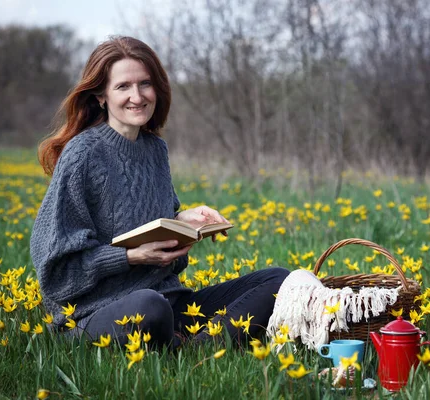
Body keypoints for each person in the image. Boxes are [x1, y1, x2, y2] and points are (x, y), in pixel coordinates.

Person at [30, 36, 289, 349]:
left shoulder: (155, 150)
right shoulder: (83, 154)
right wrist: (129, 257)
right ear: (101, 96)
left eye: (145, 84)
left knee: (279, 280)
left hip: (171, 302)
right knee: (149, 307)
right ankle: (201, 346)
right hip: (97, 314)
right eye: (123, 86)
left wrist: (185, 221)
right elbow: (56, 273)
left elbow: (154, 231)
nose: (137, 96)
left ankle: (200, 348)